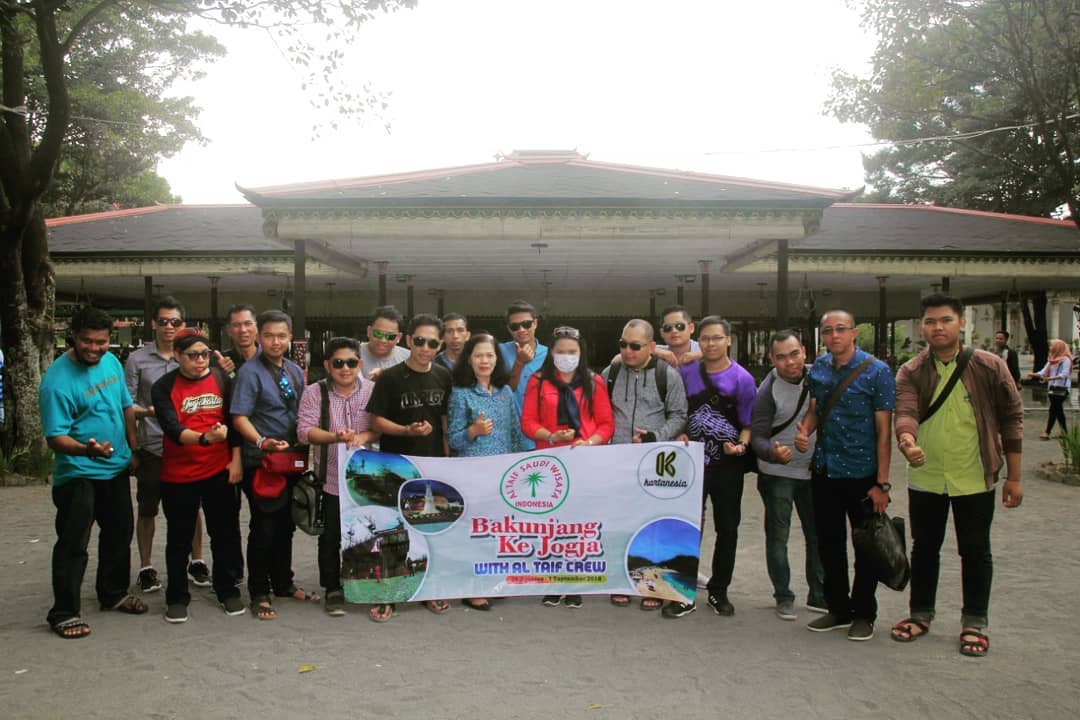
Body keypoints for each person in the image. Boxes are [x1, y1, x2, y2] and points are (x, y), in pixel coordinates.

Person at [891, 294, 1024, 657]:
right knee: (924, 548)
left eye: (946, 320)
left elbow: (1012, 419)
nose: (938, 328)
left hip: (974, 475)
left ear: (961, 323)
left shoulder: (989, 366)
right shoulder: (911, 371)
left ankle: (974, 622)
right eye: (930, 322)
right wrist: (907, 441)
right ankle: (920, 614)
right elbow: (906, 411)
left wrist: (1014, 477)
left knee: (976, 550)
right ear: (922, 327)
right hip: (927, 476)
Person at [40, 306, 146, 638]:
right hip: (78, 473)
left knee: (119, 532)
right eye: (87, 341)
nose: (95, 348)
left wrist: (133, 448)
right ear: (73, 337)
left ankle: (112, 593)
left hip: (115, 467)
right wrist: (88, 450)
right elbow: (55, 438)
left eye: (101, 342)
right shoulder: (57, 382)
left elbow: (125, 406)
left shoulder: (111, 361)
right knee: (74, 542)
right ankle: (63, 612)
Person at [794, 309, 895, 641]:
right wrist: (805, 431)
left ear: (854, 332)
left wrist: (882, 483)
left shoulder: (877, 371)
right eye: (827, 330)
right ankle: (838, 608)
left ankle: (864, 613)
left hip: (863, 472)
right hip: (825, 469)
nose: (834, 335)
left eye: (840, 329)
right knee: (828, 544)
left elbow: (884, 432)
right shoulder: (820, 368)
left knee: (866, 546)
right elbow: (815, 409)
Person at [662, 316, 756, 619]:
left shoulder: (742, 379)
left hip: (728, 465)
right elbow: (677, 411)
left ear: (729, 340)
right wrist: (679, 432)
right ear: (697, 341)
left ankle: (719, 590)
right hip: (691, 463)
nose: (711, 343)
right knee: (688, 526)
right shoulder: (686, 372)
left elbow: (748, 425)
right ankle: (682, 592)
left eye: (717, 338)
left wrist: (741, 446)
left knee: (728, 528)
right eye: (705, 338)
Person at [151, 329, 245, 623]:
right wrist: (205, 439)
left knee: (225, 533)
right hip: (178, 474)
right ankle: (177, 596)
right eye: (193, 356)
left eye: (204, 354)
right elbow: (172, 428)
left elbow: (235, 421)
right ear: (177, 355)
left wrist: (236, 460)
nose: (200, 361)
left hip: (218, 470)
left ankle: (227, 589)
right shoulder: (163, 386)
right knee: (179, 537)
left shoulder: (221, 379)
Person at [367, 313, 454, 622]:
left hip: (433, 463)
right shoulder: (390, 378)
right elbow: (376, 421)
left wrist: (447, 461)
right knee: (394, 531)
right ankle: (388, 595)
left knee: (431, 530)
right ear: (408, 341)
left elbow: (445, 422)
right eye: (419, 341)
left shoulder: (444, 376)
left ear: (439, 345)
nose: (425, 348)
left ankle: (430, 589)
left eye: (432, 343)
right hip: (396, 463)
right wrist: (406, 430)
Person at [231, 310, 316, 620]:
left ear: (290, 337)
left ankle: (283, 583)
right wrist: (261, 441)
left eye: (281, 336)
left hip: (290, 459)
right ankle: (259, 591)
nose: (275, 342)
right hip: (263, 461)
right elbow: (239, 417)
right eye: (268, 335)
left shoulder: (293, 369)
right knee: (264, 526)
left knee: (286, 525)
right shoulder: (249, 372)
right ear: (258, 337)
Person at [521, 326, 614, 609]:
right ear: (551, 353)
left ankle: (575, 581)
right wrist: (551, 436)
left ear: (581, 353)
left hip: (583, 460)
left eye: (572, 352)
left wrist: (590, 441)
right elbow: (528, 422)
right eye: (560, 351)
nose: (566, 357)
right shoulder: (538, 381)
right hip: (549, 459)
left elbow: (606, 423)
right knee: (551, 522)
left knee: (578, 522)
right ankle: (553, 581)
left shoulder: (594, 382)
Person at [125, 296, 210, 594]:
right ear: (153, 324)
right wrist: (136, 441)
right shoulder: (137, 360)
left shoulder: (192, 356)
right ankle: (146, 567)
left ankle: (197, 560)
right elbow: (127, 405)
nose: (168, 327)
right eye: (163, 321)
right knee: (148, 508)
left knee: (192, 507)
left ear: (183, 324)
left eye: (175, 321)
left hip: (189, 447)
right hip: (153, 446)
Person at [601, 319, 687, 610]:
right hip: (617, 462)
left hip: (654, 465)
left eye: (635, 346)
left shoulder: (668, 375)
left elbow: (679, 415)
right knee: (619, 522)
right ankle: (620, 581)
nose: (627, 351)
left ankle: (653, 584)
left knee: (652, 525)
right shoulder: (610, 373)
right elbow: (600, 411)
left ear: (651, 346)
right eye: (623, 344)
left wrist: (655, 437)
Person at [297, 337, 379, 617]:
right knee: (331, 536)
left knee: (368, 531)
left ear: (360, 363)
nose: (345, 368)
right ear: (327, 365)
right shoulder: (314, 393)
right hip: (331, 476)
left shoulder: (372, 391)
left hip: (367, 476)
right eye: (339, 363)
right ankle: (332, 588)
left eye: (351, 363)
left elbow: (379, 427)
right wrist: (335, 437)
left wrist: (362, 437)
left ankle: (363, 582)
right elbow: (304, 431)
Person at [750, 330, 826, 621]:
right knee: (778, 536)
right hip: (777, 473)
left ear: (804, 352)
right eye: (781, 357)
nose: (790, 362)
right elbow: (758, 436)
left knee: (816, 535)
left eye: (794, 354)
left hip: (812, 471)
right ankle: (783, 595)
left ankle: (818, 593)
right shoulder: (767, 391)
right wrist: (772, 452)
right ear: (772, 359)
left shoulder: (818, 377)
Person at [448, 333, 526, 610]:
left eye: (489, 355)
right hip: (473, 475)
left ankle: (493, 581)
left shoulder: (505, 392)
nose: (484, 360)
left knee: (498, 530)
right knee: (475, 532)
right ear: (469, 360)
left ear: (497, 359)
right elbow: (453, 439)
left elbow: (515, 433)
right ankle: (472, 588)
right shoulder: (461, 394)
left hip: (502, 475)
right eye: (478, 355)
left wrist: (518, 470)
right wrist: (473, 431)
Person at [500, 299, 549, 450]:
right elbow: (501, 391)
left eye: (526, 324)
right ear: (509, 329)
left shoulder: (550, 355)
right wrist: (519, 363)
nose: (521, 329)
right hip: (509, 435)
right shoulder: (498, 352)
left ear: (535, 323)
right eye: (515, 326)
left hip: (543, 435)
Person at [1028, 338, 1072, 440]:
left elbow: (1064, 374)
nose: (1050, 348)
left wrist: (1049, 378)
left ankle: (1047, 432)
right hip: (1052, 388)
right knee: (1058, 411)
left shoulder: (1066, 360)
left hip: (1062, 389)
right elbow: (1043, 372)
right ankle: (1065, 433)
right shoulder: (1052, 360)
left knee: (1053, 409)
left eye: (1052, 346)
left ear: (1058, 347)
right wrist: (1033, 374)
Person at [360, 305, 410, 380]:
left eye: (390, 336)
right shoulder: (351, 354)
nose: (383, 340)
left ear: (399, 337)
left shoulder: (409, 358)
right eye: (378, 334)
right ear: (369, 331)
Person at [223, 303, 259, 370]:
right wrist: (220, 372)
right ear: (229, 330)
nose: (243, 330)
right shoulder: (222, 361)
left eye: (248, 324)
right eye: (236, 325)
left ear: (257, 327)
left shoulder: (270, 358)